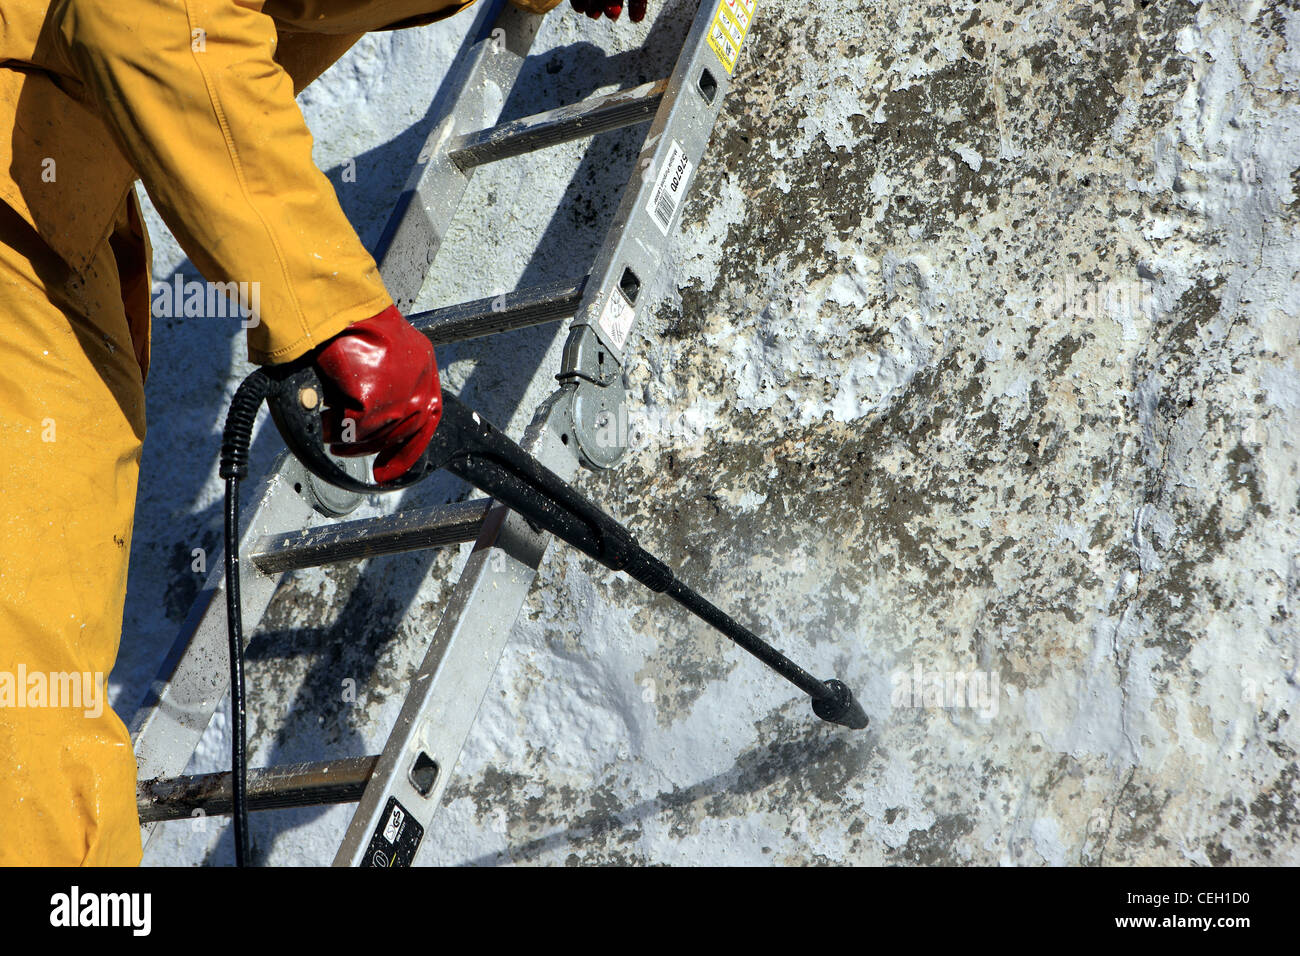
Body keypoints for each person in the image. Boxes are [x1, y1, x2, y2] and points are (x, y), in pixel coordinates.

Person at [0, 0, 645, 866]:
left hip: (51, 202)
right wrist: (335, 314)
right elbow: (142, 14)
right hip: (23, 239)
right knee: (28, 739)